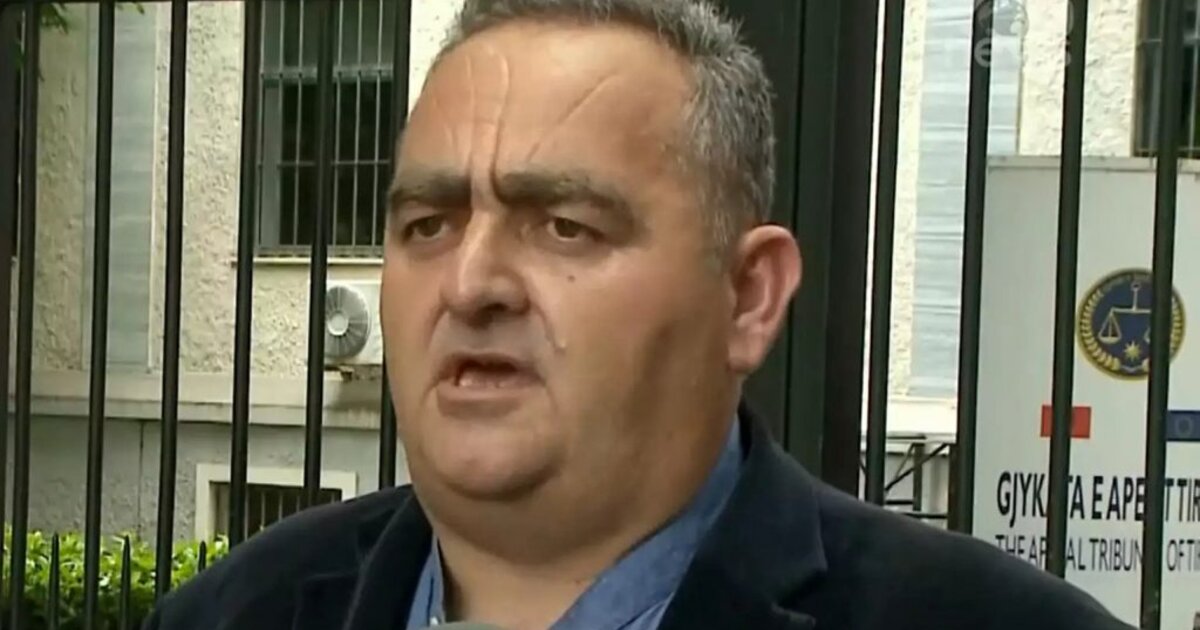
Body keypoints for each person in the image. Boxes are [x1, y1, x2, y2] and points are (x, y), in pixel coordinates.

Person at [145, 1, 1137, 629]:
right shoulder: (234, 612)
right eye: (429, 224)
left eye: (565, 226)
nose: (471, 283)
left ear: (750, 296)